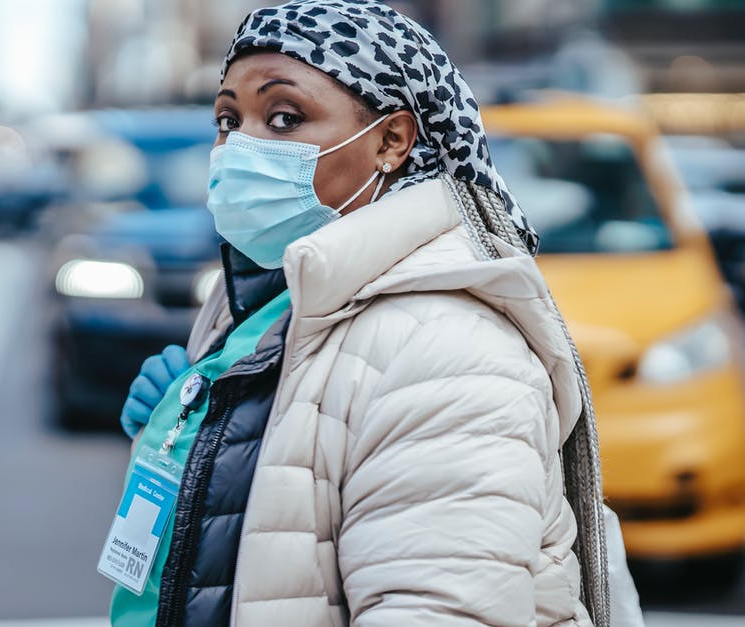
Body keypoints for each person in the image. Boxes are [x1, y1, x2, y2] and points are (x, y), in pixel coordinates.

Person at [98, 2, 641, 626]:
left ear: (391, 140)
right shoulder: (272, 306)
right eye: (228, 119)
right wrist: (195, 431)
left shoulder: (446, 353)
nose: (239, 146)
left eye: (283, 117)